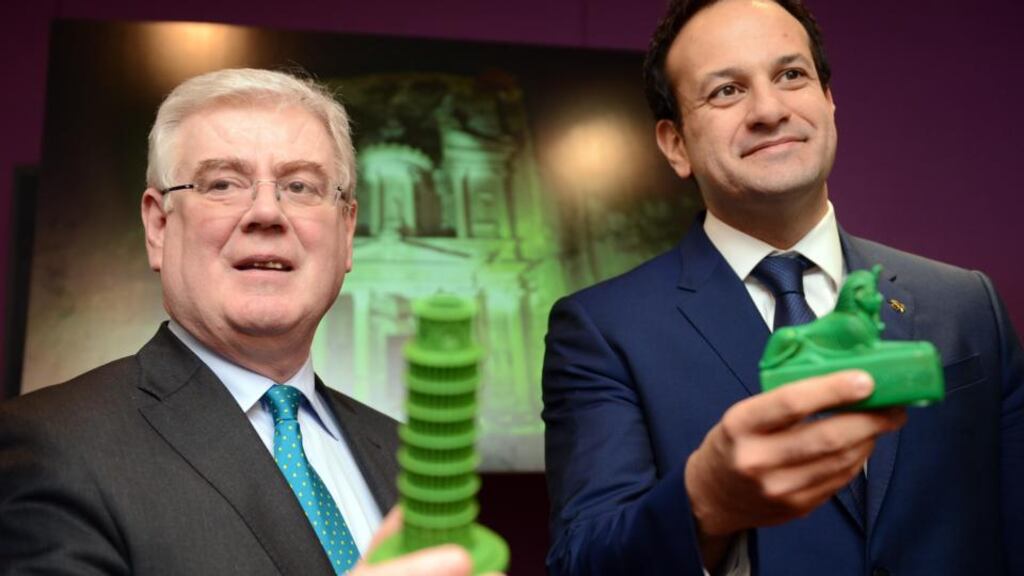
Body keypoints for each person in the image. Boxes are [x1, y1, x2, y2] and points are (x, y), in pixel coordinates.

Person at [542, 1, 1024, 574]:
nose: (768, 110)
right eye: (726, 91)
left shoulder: (967, 304)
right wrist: (704, 505)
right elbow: (583, 559)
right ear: (675, 145)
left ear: (829, 102)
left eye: (791, 75)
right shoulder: (602, 330)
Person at [0, 68, 476, 575]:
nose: (267, 212)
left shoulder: (405, 456)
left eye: (300, 185)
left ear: (347, 230)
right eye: (223, 183)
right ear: (159, 226)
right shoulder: (53, 444)